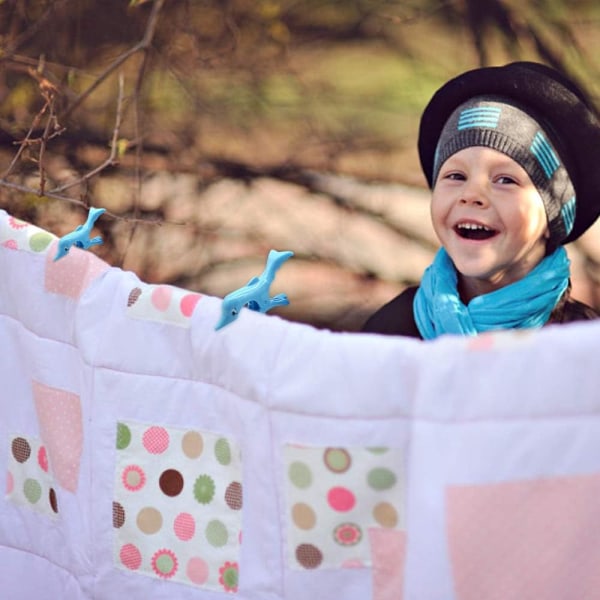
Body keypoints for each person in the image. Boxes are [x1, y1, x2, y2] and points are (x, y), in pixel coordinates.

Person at [362, 61, 600, 339]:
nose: (472, 195)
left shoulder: (581, 343)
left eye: (505, 180)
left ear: (554, 215)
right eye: (455, 176)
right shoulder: (392, 331)